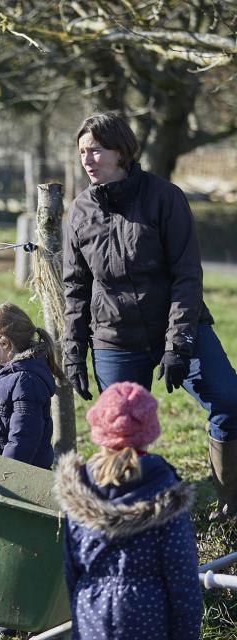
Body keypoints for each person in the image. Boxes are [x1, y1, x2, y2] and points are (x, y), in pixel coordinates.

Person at [63, 111, 237, 518]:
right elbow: (75, 289)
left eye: (97, 150)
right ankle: (130, 515)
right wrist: (74, 352)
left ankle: (230, 503)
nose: (88, 159)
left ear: (122, 151)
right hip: (115, 337)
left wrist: (178, 345)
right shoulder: (80, 212)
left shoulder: (165, 197)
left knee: (230, 400)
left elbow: (186, 275)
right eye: (82, 152)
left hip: (179, 326)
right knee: (120, 431)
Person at [54, 382, 202, 640]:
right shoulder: (165, 490)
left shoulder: (79, 489)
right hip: (148, 617)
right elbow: (183, 579)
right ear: (150, 432)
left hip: (92, 614)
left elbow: (71, 569)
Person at [0, 302, 64, 470]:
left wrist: (6, 473)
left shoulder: (25, 382)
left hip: (16, 477)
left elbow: (23, 439)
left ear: (4, 343)